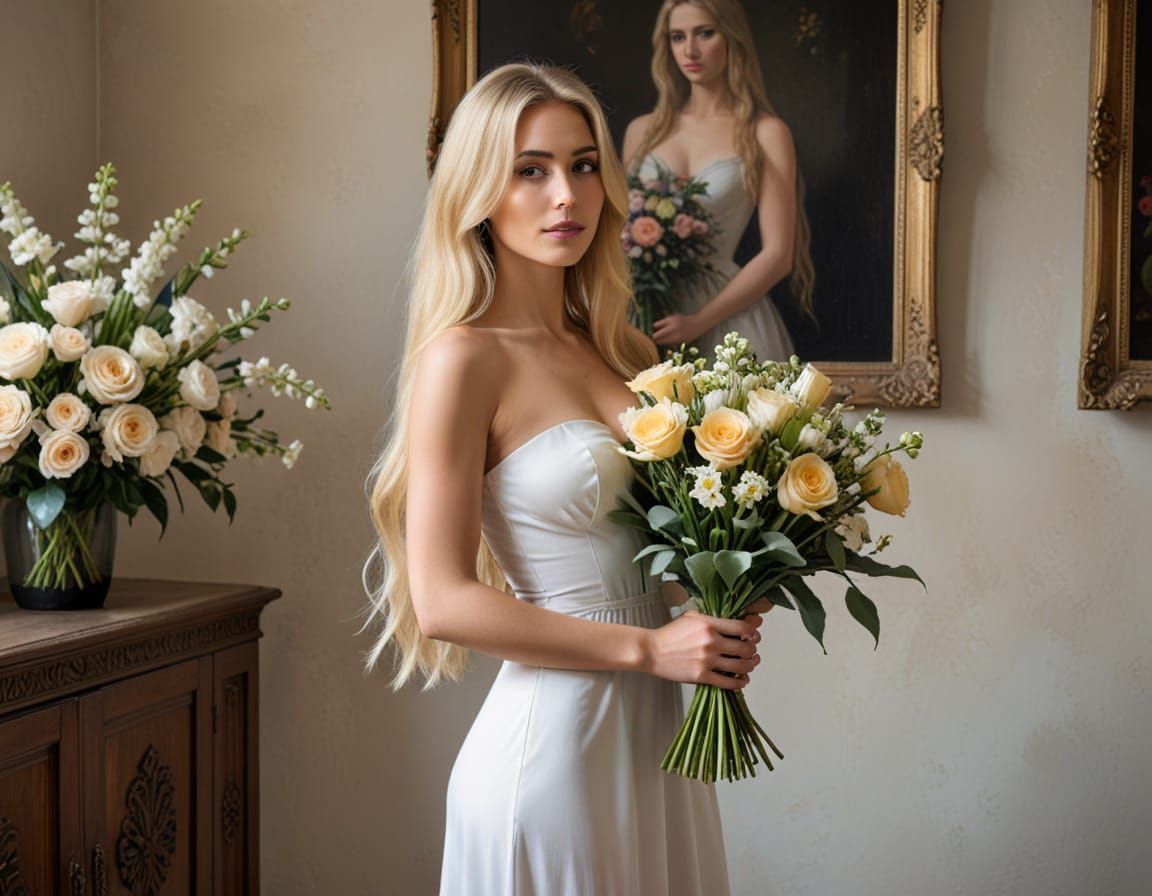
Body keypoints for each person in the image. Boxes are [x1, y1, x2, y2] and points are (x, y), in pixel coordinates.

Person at [363, 63, 773, 895]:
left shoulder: (615, 351)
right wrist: (650, 648)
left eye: (585, 165)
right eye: (531, 169)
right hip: (551, 763)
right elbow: (443, 599)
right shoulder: (463, 360)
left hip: (660, 752)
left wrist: (725, 596)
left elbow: (639, 558)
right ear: (480, 188)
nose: (567, 195)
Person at [622, 0, 816, 362]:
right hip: (644, 316)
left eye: (705, 33)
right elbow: (615, 231)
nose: (690, 50)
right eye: (678, 37)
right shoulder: (642, 131)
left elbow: (778, 255)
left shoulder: (765, 133)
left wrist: (698, 322)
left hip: (728, 317)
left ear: (732, 38)